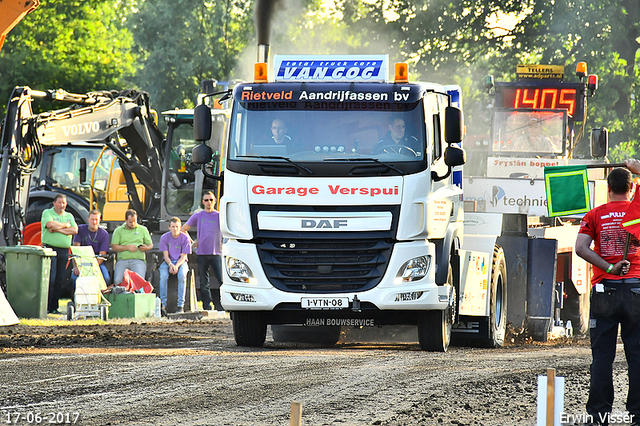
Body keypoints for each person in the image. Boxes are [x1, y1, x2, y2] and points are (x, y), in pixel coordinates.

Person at [575, 163, 640, 426]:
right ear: (632, 188)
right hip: (636, 290)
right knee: (636, 355)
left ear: (608, 189)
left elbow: (580, 248)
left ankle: (599, 416)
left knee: (602, 357)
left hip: (605, 291)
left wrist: (609, 266)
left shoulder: (595, 214)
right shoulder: (637, 212)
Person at [181, 191, 224, 311]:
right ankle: (207, 306)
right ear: (203, 202)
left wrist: (224, 242)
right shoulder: (198, 216)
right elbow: (184, 229)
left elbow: (229, 230)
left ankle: (221, 306)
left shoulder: (220, 216)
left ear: (215, 201)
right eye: (206, 200)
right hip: (202, 253)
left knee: (222, 280)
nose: (209, 202)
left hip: (217, 253)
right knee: (204, 282)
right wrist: (192, 241)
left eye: (211, 200)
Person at [41, 194, 78, 314]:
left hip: (64, 250)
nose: (62, 205)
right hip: (50, 249)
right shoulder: (48, 213)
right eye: (59, 203)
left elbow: (75, 230)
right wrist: (66, 226)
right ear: (54, 203)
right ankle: (45, 306)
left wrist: (58, 229)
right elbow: (49, 225)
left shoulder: (69, 215)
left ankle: (54, 307)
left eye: (64, 203)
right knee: (51, 278)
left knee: (59, 279)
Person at [111, 209, 152, 286]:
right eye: (130, 222)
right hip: (122, 261)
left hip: (138, 260)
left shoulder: (143, 229)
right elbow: (114, 247)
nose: (133, 223)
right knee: (117, 281)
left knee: (139, 282)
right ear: (125, 220)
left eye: (135, 221)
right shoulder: (118, 230)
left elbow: (150, 245)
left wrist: (146, 248)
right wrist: (127, 247)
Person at [159, 217, 191, 314]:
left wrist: (176, 266)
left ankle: (180, 305)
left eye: (177, 227)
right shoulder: (164, 237)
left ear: (180, 227)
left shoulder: (185, 238)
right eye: (173, 227)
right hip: (167, 261)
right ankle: (163, 304)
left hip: (181, 262)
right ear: (169, 227)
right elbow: (165, 255)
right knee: (163, 276)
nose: (175, 229)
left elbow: (184, 256)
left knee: (182, 275)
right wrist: (170, 265)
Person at [72, 210, 110, 285]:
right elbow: (75, 250)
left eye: (96, 220)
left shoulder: (104, 234)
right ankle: (77, 295)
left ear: (99, 221)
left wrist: (93, 267)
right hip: (81, 261)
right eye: (92, 219)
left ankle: (101, 295)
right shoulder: (80, 229)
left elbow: (102, 255)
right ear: (88, 220)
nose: (94, 222)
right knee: (74, 278)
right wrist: (76, 266)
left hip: (97, 262)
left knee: (106, 278)